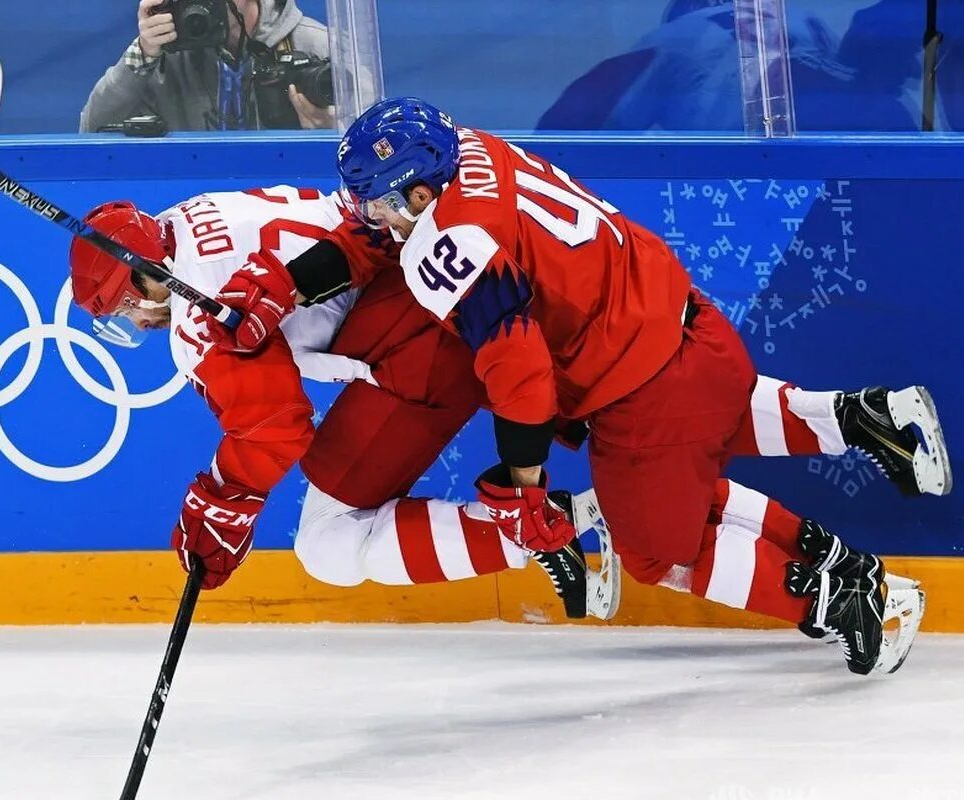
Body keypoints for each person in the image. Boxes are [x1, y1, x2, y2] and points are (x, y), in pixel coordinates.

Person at [208, 97, 952, 676]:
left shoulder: (452, 242)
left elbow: (522, 377)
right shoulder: (463, 146)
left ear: (419, 194)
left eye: (376, 199)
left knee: (656, 551)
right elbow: (377, 235)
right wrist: (281, 282)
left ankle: (845, 601)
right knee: (674, 479)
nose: (365, 212)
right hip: (687, 329)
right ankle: (833, 551)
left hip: (645, 392)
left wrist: (528, 490)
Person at [67, 186, 616, 620]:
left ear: (146, 278)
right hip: (458, 281)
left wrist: (220, 499)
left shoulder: (196, 316)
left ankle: (539, 528)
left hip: (421, 337)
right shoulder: (193, 214)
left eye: (125, 309)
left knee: (328, 542)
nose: (136, 322)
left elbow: (275, 427)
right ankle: (553, 520)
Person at [80, 0, 335, 133]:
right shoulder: (165, 55)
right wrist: (143, 53)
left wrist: (332, 130)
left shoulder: (318, 44)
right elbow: (92, 130)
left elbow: (374, 150)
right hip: (195, 211)